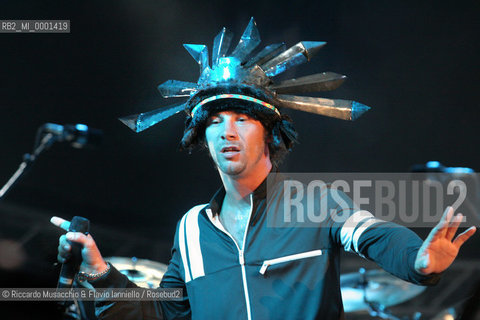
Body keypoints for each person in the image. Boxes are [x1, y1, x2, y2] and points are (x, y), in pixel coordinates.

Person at [52, 19, 476, 319]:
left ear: (270, 134)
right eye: (214, 122)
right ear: (202, 140)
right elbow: (166, 312)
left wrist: (418, 261)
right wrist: (98, 270)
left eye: (241, 118)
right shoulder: (192, 228)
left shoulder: (315, 203)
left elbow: (374, 235)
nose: (226, 131)